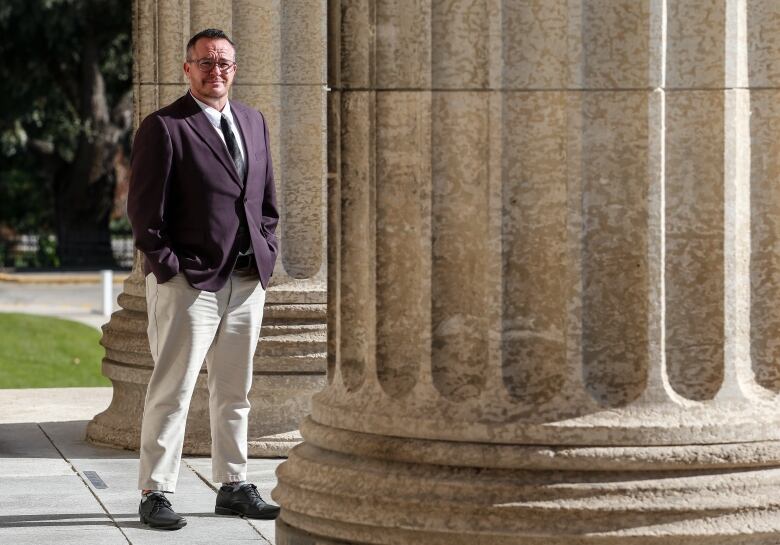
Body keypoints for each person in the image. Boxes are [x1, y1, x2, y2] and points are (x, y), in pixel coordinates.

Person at [127, 28, 280, 530]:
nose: (217, 71)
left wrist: (267, 251)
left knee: (235, 391)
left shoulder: (254, 122)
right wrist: (171, 268)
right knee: (172, 391)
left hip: (245, 280)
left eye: (225, 64)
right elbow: (145, 216)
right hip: (189, 283)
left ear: (235, 69)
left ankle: (233, 484)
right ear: (187, 68)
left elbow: (265, 203)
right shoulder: (164, 127)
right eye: (207, 63)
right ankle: (156, 491)